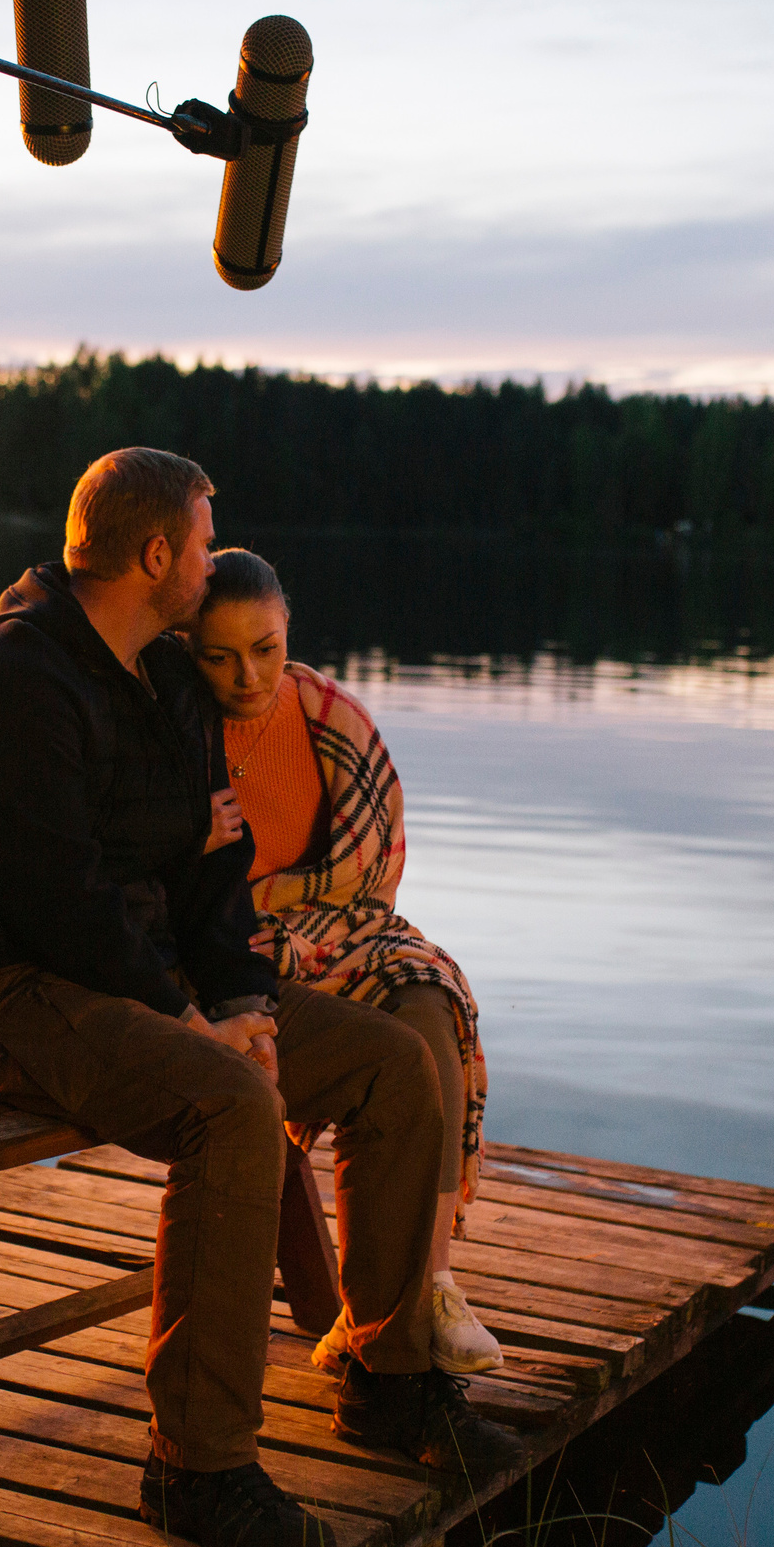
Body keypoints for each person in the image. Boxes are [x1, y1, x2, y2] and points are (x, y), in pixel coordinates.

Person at [0, 448, 524, 1547]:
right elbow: (53, 898)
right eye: (202, 537)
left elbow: (212, 874)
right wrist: (189, 1022)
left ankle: (386, 1379)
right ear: (155, 555)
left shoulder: (167, 680)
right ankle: (198, 1469)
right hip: (5, 992)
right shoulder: (13, 676)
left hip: (143, 981)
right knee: (230, 1106)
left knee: (389, 1062)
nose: (212, 555)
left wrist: (239, 1000)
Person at [188, 549, 503, 1379]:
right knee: (388, 1060)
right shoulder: (176, 733)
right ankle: (380, 1326)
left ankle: (434, 1281)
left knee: (426, 995)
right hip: (230, 955)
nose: (249, 676)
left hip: (330, 937)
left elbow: (367, 885)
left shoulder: (331, 718)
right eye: (220, 656)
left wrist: (309, 934)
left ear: (288, 630)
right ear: (189, 650)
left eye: (266, 648)